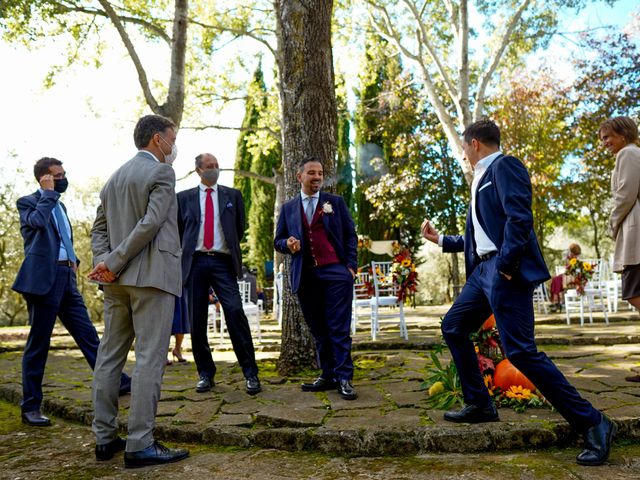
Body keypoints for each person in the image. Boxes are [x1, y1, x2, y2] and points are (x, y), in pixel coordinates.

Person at [421, 119, 615, 466]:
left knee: (522, 353)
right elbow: (481, 237)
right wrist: (441, 241)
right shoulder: (480, 177)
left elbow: (519, 219)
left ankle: (594, 422)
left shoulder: (505, 166)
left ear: (475, 143)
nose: (463, 154)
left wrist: (507, 266)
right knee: (453, 326)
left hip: (502, 271)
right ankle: (480, 403)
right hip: (483, 271)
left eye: (465, 147)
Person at [88, 115, 189, 468]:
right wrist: (112, 261)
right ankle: (140, 444)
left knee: (109, 356)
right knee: (148, 358)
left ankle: (104, 439)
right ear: (158, 140)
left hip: (115, 283)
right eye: (172, 139)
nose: (174, 146)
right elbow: (151, 223)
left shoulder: (113, 179)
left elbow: (98, 228)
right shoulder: (162, 172)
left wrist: (104, 263)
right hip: (152, 278)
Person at [12, 157, 131, 427]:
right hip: (44, 280)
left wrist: (74, 260)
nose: (64, 178)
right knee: (39, 344)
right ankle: (30, 406)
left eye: (64, 174)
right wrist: (48, 194)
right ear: (45, 178)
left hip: (67, 277)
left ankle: (118, 382)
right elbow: (39, 224)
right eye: (58, 175)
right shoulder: (29, 202)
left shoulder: (61, 205)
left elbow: (63, 237)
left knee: (88, 335)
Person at [274, 157, 358, 400]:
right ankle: (328, 374)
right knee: (319, 329)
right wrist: (287, 244)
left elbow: (350, 235)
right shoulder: (289, 208)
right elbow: (278, 241)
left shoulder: (335, 203)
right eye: (311, 173)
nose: (317, 177)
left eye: (320, 173)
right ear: (299, 177)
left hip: (335, 272)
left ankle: (344, 377)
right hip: (306, 274)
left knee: (338, 328)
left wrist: (350, 268)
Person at [177, 152, 261, 395]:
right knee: (197, 319)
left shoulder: (232, 195)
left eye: (216, 165)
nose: (214, 169)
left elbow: (239, 228)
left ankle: (250, 372)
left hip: (223, 262)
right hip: (195, 263)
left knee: (235, 311)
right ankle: (205, 373)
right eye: (209, 166)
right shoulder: (183, 198)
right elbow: (179, 230)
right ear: (198, 171)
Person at [601, 116, 640, 383]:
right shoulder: (631, 152)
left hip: (636, 235)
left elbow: (625, 194)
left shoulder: (628, 153)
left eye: (608, 137)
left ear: (623, 135)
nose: (605, 143)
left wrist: (612, 224)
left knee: (635, 294)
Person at [549, 243, 582, 311]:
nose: (570, 253)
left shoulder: (577, 259)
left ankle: (556, 302)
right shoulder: (569, 258)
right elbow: (567, 269)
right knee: (555, 279)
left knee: (557, 280)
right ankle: (557, 302)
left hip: (574, 278)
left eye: (571, 252)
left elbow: (576, 271)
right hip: (567, 276)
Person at [168, 296, 189, 365]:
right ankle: (163, 354)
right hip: (166, 289)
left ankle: (177, 349)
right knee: (165, 322)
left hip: (180, 289)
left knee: (180, 321)